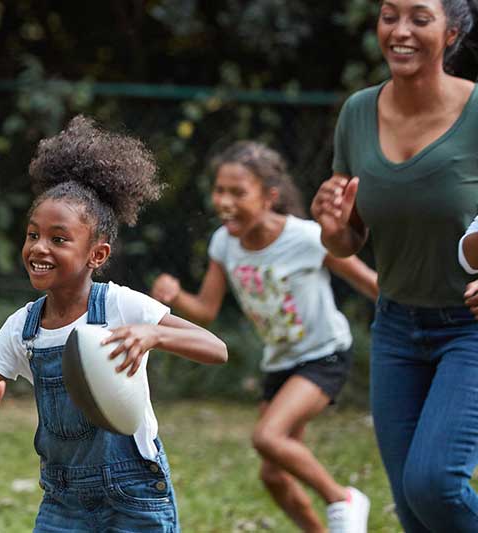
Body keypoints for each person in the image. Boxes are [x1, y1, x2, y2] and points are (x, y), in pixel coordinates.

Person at [0, 116, 227, 532]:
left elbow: (217, 349)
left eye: (58, 239)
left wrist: (153, 333)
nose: (39, 247)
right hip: (64, 501)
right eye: (32, 235)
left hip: (135, 493)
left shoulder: (119, 304)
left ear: (97, 255)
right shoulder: (22, 329)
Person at [151, 141, 378, 533]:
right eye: (220, 190)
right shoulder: (224, 244)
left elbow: (371, 283)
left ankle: (344, 500)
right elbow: (206, 310)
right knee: (273, 476)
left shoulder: (308, 238)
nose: (224, 201)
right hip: (280, 363)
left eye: (238, 192)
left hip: (324, 355)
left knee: (267, 437)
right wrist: (175, 297)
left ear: (270, 197)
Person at [311, 0, 478, 530]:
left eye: (419, 18)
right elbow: (347, 239)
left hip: (470, 330)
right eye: (389, 16)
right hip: (398, 328)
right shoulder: (358, 113)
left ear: (451, 32)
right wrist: (337, 233)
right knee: (413, 510)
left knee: (434, 486)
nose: (400, 31)